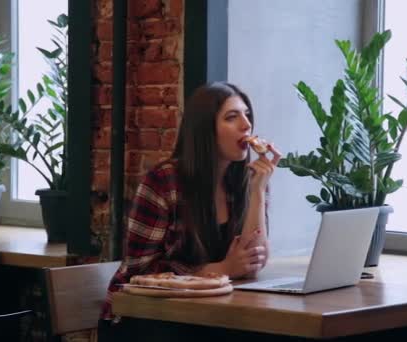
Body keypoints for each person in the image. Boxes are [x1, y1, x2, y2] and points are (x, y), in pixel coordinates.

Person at [98, 82, 281, 341]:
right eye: (232, 117)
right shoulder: (164, 181)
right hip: (143, 321)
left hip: (205, 317)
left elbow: (251, 262)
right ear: (205, 130)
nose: (246, 125)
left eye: (247, 115)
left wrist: (258, 191)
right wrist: (222, 269)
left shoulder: (244, 182)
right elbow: (139, 273)